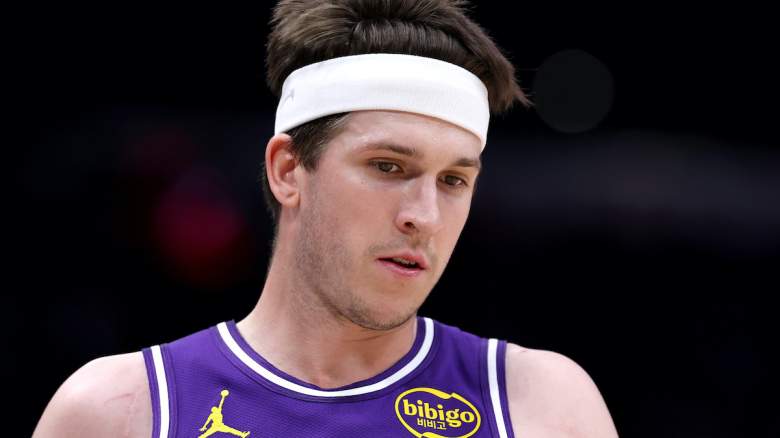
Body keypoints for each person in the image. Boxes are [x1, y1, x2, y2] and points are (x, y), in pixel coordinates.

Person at [33, 1, 619, 437]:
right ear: (288, 169)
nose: (424, 216)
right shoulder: (120, 411)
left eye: (453, 180)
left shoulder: (540, 406)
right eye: (388, 166)